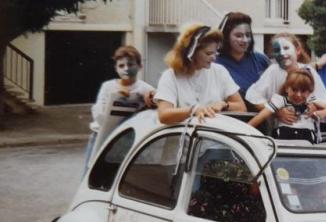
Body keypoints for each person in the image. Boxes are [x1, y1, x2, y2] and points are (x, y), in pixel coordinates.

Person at [217, 13, 326, 111]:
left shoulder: (260, 59)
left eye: (248, 35)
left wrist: (316, 65)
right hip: (234, 122)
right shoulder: (216, 64)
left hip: (266, 125)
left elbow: (287, 73)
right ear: (226, 37)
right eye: (238, 35)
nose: (244, 40)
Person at [155, 23, 246, 124]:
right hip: (182, 136)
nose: (214, 58)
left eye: (215, 53)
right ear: (191, 52)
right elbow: (163, 115)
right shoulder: (170, 76)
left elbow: (241, 108)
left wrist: (224, 105)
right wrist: (193, 110)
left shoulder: (219, 71)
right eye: (208, 53)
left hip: (213, 135)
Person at [84, 45, 155, 173]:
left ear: (140, 66)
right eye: (121, 66)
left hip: (127, 139)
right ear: (116, 68)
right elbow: (98, 114)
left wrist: (151, 100)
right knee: (91, 172)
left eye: (131, 64)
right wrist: (117, 96)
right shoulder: (108, 86)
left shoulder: (146, 89)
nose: (126, 69)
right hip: (101, 135)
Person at [246, 33, 326, 126]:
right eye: (277, 50)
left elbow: (324, 101)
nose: (282, 53)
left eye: (286, 48)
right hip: (281, 130)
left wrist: (314, 107)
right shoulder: (273, 71)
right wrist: (277, 112)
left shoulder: (309, 71)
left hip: (306, 129)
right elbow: (254, 97)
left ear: (297, 50)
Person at [248, 69, 326, 143]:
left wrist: (321, 113)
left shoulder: (310, 101)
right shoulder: (280, 101)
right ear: (287, 88)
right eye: (294, 90)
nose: (298, 95)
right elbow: (261, 116)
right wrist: (244, 130)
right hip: (284, 144)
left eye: (303, 91)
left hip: (307, 145)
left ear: (309, 91)